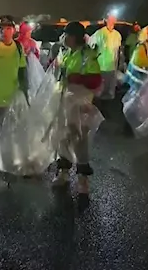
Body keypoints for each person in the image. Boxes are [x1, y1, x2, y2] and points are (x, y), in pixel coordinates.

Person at [52, 21, 102, 195]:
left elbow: (96, 80)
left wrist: (77, 78)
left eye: (66, 35)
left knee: (80, 141)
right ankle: (63, 173)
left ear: (74, 37)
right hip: (64, 101)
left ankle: (83, 181)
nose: (64, 38)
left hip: (81, 104)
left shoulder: (88, 54)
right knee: (62, 138)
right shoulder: (66, 53)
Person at [88, 12, 122, 104]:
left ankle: (110, 102)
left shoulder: (117, 35)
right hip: (101, 65)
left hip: (112, 65)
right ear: (106, 20)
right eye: (110, 19)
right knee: (100, 87)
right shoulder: (99, 33)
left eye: (113, 19)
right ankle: (99, 103)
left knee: (110, 85)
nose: (112, 21)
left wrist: (120, 62)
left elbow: (118, 50)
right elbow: (91, 45)